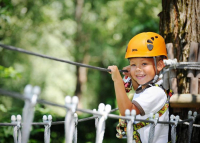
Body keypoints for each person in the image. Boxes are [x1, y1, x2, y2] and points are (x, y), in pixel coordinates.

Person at [108, 32, 172, 143]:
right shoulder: (149, 88)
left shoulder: (156, 92)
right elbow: (138, 88)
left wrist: (117, 80)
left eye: (144, 64)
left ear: (160, 65)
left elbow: (127, 111)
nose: (138, 69)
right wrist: (133, 75)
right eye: (133, 64)